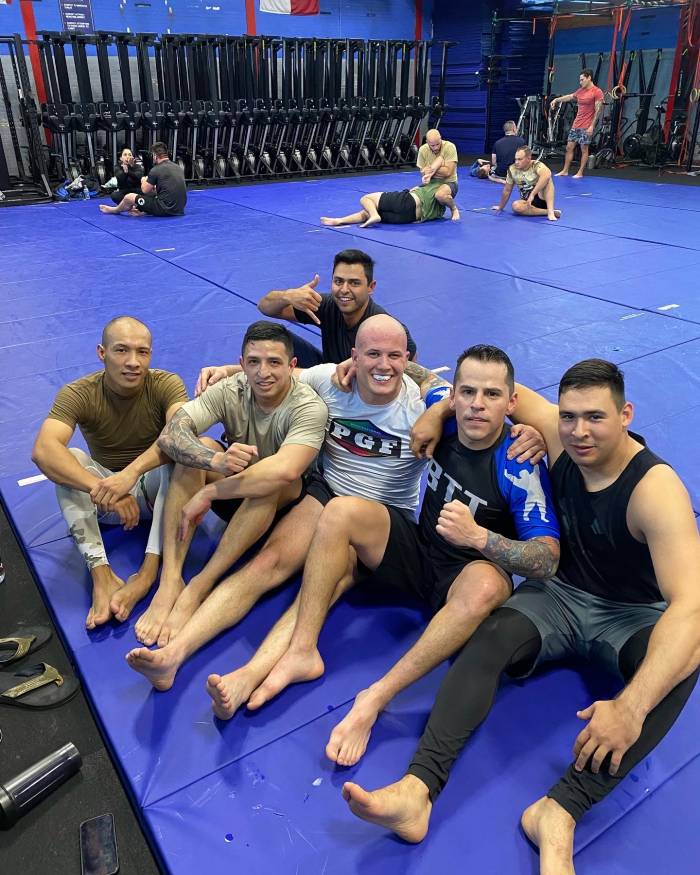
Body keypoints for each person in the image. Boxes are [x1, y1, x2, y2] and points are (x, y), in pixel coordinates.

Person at [342, 359, 700, 875]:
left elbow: (691, 605)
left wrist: (631, 706)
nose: (579, 432)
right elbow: (483, 386)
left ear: (626, 415)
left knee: (680, 666)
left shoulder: (655, 490)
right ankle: (417, 788)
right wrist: (436, 412)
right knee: (487, 638)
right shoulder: (554, 429)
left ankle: (560, 809)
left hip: (630, 614)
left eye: (596, 418)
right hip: (557, 594)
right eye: (569, 417)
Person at [253, 345, 559, 768]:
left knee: (489, 585)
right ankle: (302, 650)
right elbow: (415, 371)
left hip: (464, 576)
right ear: (453, 395)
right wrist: (361, 364)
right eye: (467, 392)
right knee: (339, 511)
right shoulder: (443, 410)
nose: (477, 404)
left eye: (492, 394)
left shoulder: (520, 464)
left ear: (511, 403)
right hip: (418, 550)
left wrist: (480, 538)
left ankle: (375, 697)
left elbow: (547, 558)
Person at [124, 315, 453, 690]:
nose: (383, 365)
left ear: (407, 359)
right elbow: (280, 373)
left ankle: (250, 675)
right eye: (372, 354)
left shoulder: (423, 405)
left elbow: (472, 400)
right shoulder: (329, 380)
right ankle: (172, 656)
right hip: (327, 496)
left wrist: (443, 412)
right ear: (354, 356)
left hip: (381, 518)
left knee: (316, 594)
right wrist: (231, 370)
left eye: (394, 356)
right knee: (264, 565)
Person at [129, 320, 328, 648]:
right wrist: (214, 461)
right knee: (199, 450)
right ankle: (171, 579)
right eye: (254, 362)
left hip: (280, 503)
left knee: (270, 480)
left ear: (292, 366)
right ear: (241, 364)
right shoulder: (231, 388)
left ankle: (199, 586)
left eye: (274, 362)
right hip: (235, 493)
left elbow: (285, 471)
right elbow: (172, 434)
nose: (263, 372)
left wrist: (211, 490)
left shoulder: (308, 407)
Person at [31, 316, 188, 630]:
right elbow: (43, 450)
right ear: (101, 353)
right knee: (69, 458)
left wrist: (130, 475)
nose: (133, 362)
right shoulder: (79, 392)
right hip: (106, 502)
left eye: (142, 352)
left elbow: (181, 437)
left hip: (156, 495)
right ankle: (101, 574)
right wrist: (107, 489)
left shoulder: (166, 384)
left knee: (181, 458)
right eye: (121, 350)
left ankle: (148, 571)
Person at [249, 249, 417, 368]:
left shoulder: (384, 327)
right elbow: (265, 307)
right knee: (268, 333)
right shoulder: (327, 304)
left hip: (359, 388)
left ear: (370, 287)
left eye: (354, 283)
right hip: (328, 373)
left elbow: (411, 363)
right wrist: (287, 295)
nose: (344, 289)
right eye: (338, 281)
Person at [99, 142, 186, 217]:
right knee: (117, 195)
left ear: (155, 156)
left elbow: (144, 190)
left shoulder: (155, 169)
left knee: (129, 197)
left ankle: (114, 210)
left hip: (165, 209)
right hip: (180, 209)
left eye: (129, 154)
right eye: (125, 155)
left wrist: (144, 180)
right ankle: (142, 211)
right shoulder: (177, 167)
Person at [320, 180, 454, 229]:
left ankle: (374, 215)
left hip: (407, 201)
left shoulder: (436, 184)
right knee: (368, 212)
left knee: (366, 199)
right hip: (406, 218)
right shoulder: (439, 212)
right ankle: (340, 221)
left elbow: (440, 168)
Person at [551, 70, 605, 179]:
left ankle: (580, 172)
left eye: (582, 80)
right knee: (569, 147)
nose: (580, 82)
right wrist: (556, 100)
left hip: (587, 126)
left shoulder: (597, 92)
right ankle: (565, 170)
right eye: (580, 80)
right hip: (576, 124)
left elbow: (598, 110)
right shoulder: (580, 91)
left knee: (584, 149)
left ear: (589, 78)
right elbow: (570, 97)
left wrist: (592, 126)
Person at [492, 147, 561, 222]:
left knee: (547, 179)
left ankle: (550, 211)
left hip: (542, 197)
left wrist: (532, 194)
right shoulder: (512, 169)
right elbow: (507, 190)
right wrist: (501, 207)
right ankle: (548, 212)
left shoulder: (536, 165)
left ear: (528, 158)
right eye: (515, 159)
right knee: (516, 206)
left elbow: (547, 174)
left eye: (520, 159)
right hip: (528, 202)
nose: (516, 162)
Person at [416, 129, 460, 220]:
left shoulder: (449, 147)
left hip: (449, 182)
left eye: (438, 144)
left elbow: (448, 172)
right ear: (427, 142)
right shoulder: (423, 150)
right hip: (431, 183)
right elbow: (423, 172)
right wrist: (438, 166)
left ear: (440, 139)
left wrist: (431, 169)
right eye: (432, 145)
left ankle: (454, 209)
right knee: (412, 194)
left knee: (440, 195)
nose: (436, 148)